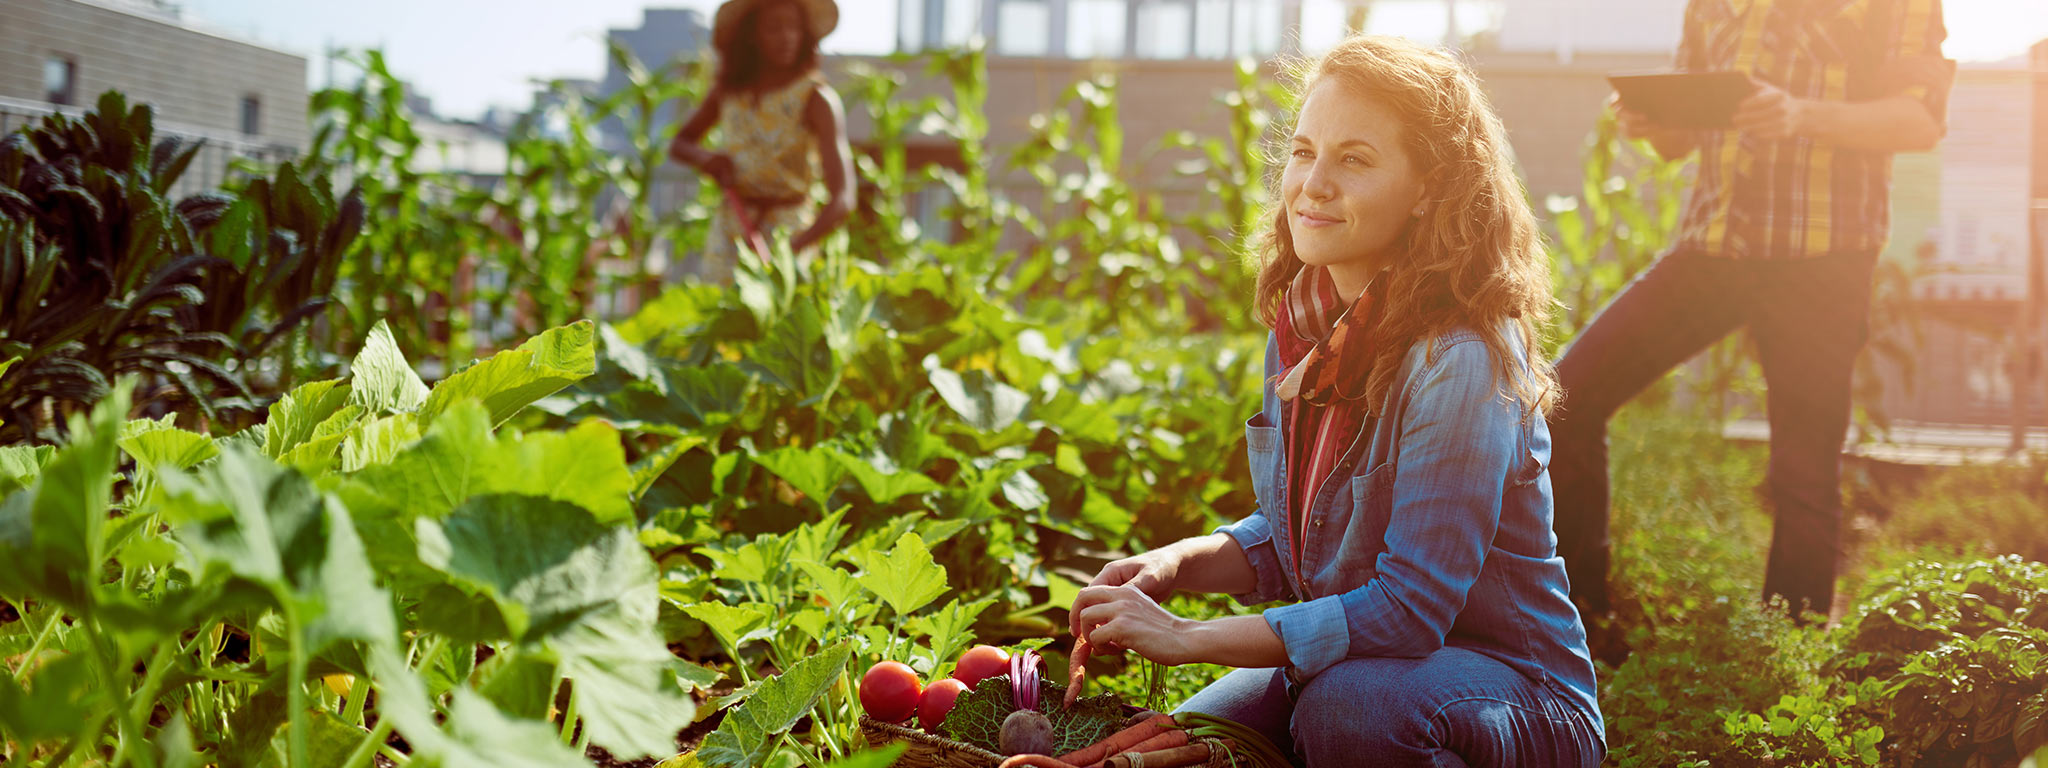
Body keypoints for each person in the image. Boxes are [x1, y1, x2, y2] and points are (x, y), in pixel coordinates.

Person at [1067, 35, 1604, 768]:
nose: (1313, 184)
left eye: (1354, 159)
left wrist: (1186, 637)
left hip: (1518, 691)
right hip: (1360, 663)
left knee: (1346, 713)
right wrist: (1174, 564)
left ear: (1429, 190)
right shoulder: (1308, 329)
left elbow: (1408, 610)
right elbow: (1299, 532)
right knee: (1187, 742)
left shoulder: (1462, 359)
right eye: (1303, 151)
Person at [1547, 0, 1953, 653]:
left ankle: (1781, 661)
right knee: (1563, 397)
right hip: (1712, 251)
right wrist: (1653, 122)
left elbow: (1919, 120)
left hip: (1823, 261)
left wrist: (1800, 115)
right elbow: (1684, 138)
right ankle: (1583, 627)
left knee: (1804, 474)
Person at [667, 0, 853, 284]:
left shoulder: (816, 99)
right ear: (752, 36)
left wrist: (795, 248)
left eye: (794, 27)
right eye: (774, 28)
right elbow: (680, 143)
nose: (786, 37)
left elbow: (843, 198)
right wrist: (708, 160)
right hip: (732, 231)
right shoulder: (729, 93)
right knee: (721, 319)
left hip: (789, 234)